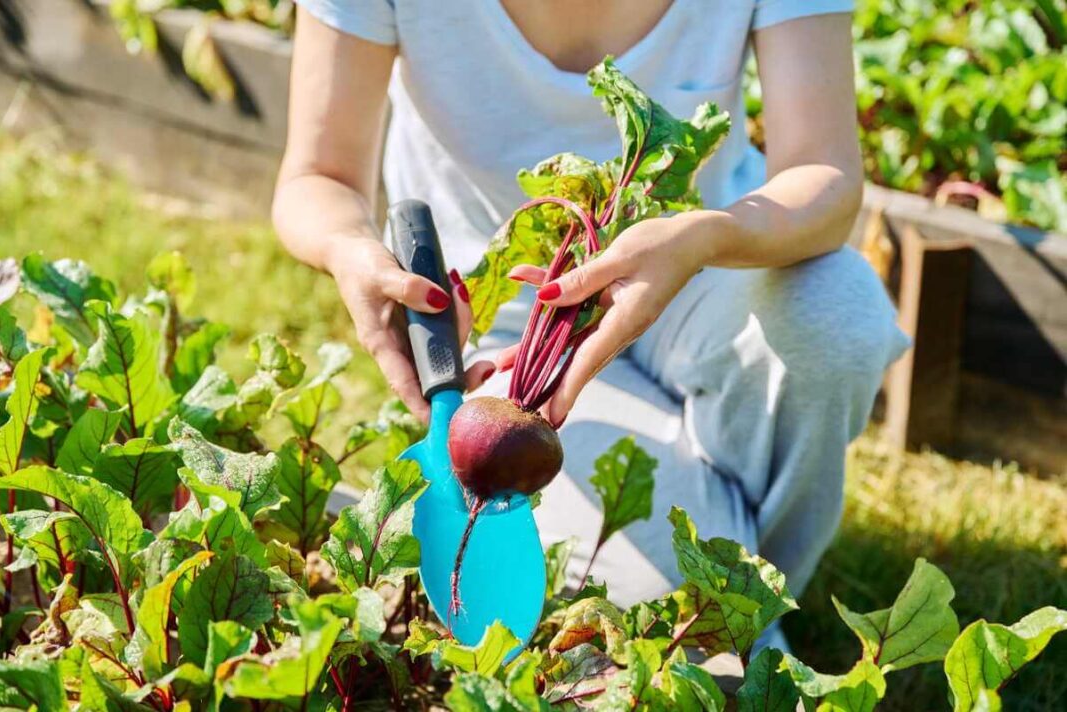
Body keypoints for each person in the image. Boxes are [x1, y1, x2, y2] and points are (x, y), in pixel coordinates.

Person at [273, 0, 909, 621]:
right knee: (652, 600)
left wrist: (705, 237)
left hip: (704, 277)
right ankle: (732, 611)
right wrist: (349, 249)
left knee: (838, 310)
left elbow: (824, 174)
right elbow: (319, 176)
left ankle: (752, 600)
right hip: (512, 344)